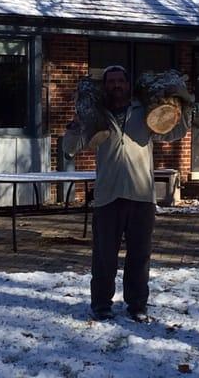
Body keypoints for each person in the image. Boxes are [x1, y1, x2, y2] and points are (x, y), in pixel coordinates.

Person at [63, 65, 192, 322]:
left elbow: (175, 132)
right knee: (103, 258)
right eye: (111, 81)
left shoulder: (145, 111)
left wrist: (184, 106)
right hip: (108, 197)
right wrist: (76, 126)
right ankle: (101, 304)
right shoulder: (96, 114)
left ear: (128, 83)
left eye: (120, 80)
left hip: (141, 196)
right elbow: (69, 148)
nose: (116, 85)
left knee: (139, 256)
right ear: (105, 86)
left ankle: (137, 305)